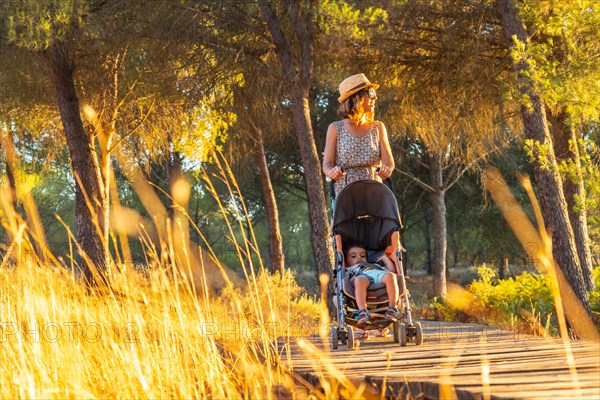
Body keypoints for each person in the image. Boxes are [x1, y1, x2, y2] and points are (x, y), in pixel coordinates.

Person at [323, 73, 394, 198]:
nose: (375, 97)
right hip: (346, 195)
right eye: (371, 93)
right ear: (357, 97)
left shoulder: (378, 127)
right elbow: (327, 165)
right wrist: (332, 172)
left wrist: (386, 170)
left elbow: (388, 163)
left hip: (374, 192)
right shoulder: (335, 128)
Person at [344, 242, 400, 327]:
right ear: (347, 261)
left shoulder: (375, 265)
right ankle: (363, 310)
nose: (359, 257)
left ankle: (392, 307)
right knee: (359, 280)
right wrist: (352, 280)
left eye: (362, 256)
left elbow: (391, 270)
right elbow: (347, 280)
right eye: (353, 256)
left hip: (378, 274)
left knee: (391, 275)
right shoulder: (349, 268)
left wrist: (385, 258)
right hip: (362, 275)